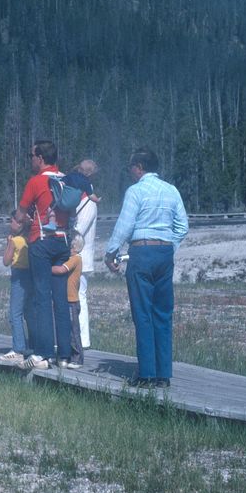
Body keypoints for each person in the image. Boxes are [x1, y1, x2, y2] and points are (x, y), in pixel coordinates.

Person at [105, 147, 189, 388]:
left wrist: (112, 251)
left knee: (142, 313)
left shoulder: (136, 191)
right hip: (163, 252)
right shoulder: (171, 190)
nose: (130, 171)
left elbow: (125, 224)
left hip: (141, 251)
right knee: (162, 312)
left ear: (139, 167)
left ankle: (146, 374)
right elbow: (182, 226)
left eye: (131, 166)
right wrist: (168, 248)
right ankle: (163, 374)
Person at [14, 140, 73, 370]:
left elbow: (20, 215)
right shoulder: (64, 178)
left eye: (32, 155)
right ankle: (65, 355)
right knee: (60, 299)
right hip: (62, 241)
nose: (30, 159)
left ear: (40, 158)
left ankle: (45, 353)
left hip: (41, 241)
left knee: (41, 297)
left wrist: (25, 218)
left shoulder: (36, 181)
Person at [0, 213, 33, 367]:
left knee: (15, 313)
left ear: (19, 224)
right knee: (28, 312)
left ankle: (18, 349)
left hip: (18, 276)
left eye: (11, 220)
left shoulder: (15, 241)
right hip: (30, 276)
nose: (10, 222)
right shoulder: (28, 240)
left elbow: (6, 261)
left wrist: (8, 244)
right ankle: (30, 345)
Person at [73, 159, 99, 350]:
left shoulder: (89, 204)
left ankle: (83, 339)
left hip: (82, 258)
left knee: (80, 296)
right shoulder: (81, 201)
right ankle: (77, 337)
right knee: (75, 296)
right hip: (77, 257)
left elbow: (79, 229)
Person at [52, 234, 84, 368]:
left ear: (75, 248)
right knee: (67, 328)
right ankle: (69, 355)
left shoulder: (76, 259)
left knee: (73, 330)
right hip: (68, 299)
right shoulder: (72, 258)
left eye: (69, 247)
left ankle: (78, 358)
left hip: (72, 300)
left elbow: (60, 270)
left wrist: (46, 267)